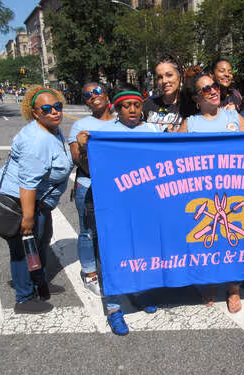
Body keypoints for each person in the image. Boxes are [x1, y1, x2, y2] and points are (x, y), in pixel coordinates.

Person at [76, 85, 161, 335]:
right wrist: (83, 145)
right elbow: (91, 163)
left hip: (144, 202)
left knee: (143, 251)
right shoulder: (104, 132)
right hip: (114, 203)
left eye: (136, 105)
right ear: (117, 108)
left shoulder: (151, 130)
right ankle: (113, 308)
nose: (132, 110)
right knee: (113, 254)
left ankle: (141, 293)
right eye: (126, 105)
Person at [0, 86, 73, 314]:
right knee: (22, 247)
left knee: (42, 240)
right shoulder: (38, 139)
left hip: (37, 202)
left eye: (58, 106)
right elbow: (27, 184)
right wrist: (26, 219)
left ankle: (39, 283)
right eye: (47, 109)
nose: (54, 112)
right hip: (15, 201)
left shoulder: (52, 130)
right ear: (35, 113)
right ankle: (23, 299)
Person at [178, 74, 244, 313]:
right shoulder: (190, 123)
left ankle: (233, 289)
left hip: (233, 188)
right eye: (205, 88)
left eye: (215, 86)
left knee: (233, 240)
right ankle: (208, 283)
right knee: (205, 239)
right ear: (197, 98)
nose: (212, 90)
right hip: (200, 191)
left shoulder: (233, 116)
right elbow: (172, 156)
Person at [67, 83, 116, 297]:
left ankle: (116, 270)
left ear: (106, 94)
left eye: (96, 91)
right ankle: (90, 273)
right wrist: (84, 147)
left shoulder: (121, 121)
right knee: (88, 232)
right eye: (87, 94)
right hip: (89, 182)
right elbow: (79, 161)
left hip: (120, 183)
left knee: (116, 230)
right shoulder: (80, 125)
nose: (92, 96)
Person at [143, 53, 184, 132]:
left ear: (180, 77)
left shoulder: (191, 106)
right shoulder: (148, 104)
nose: (164, 81)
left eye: (169, 75)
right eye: (159, 77)